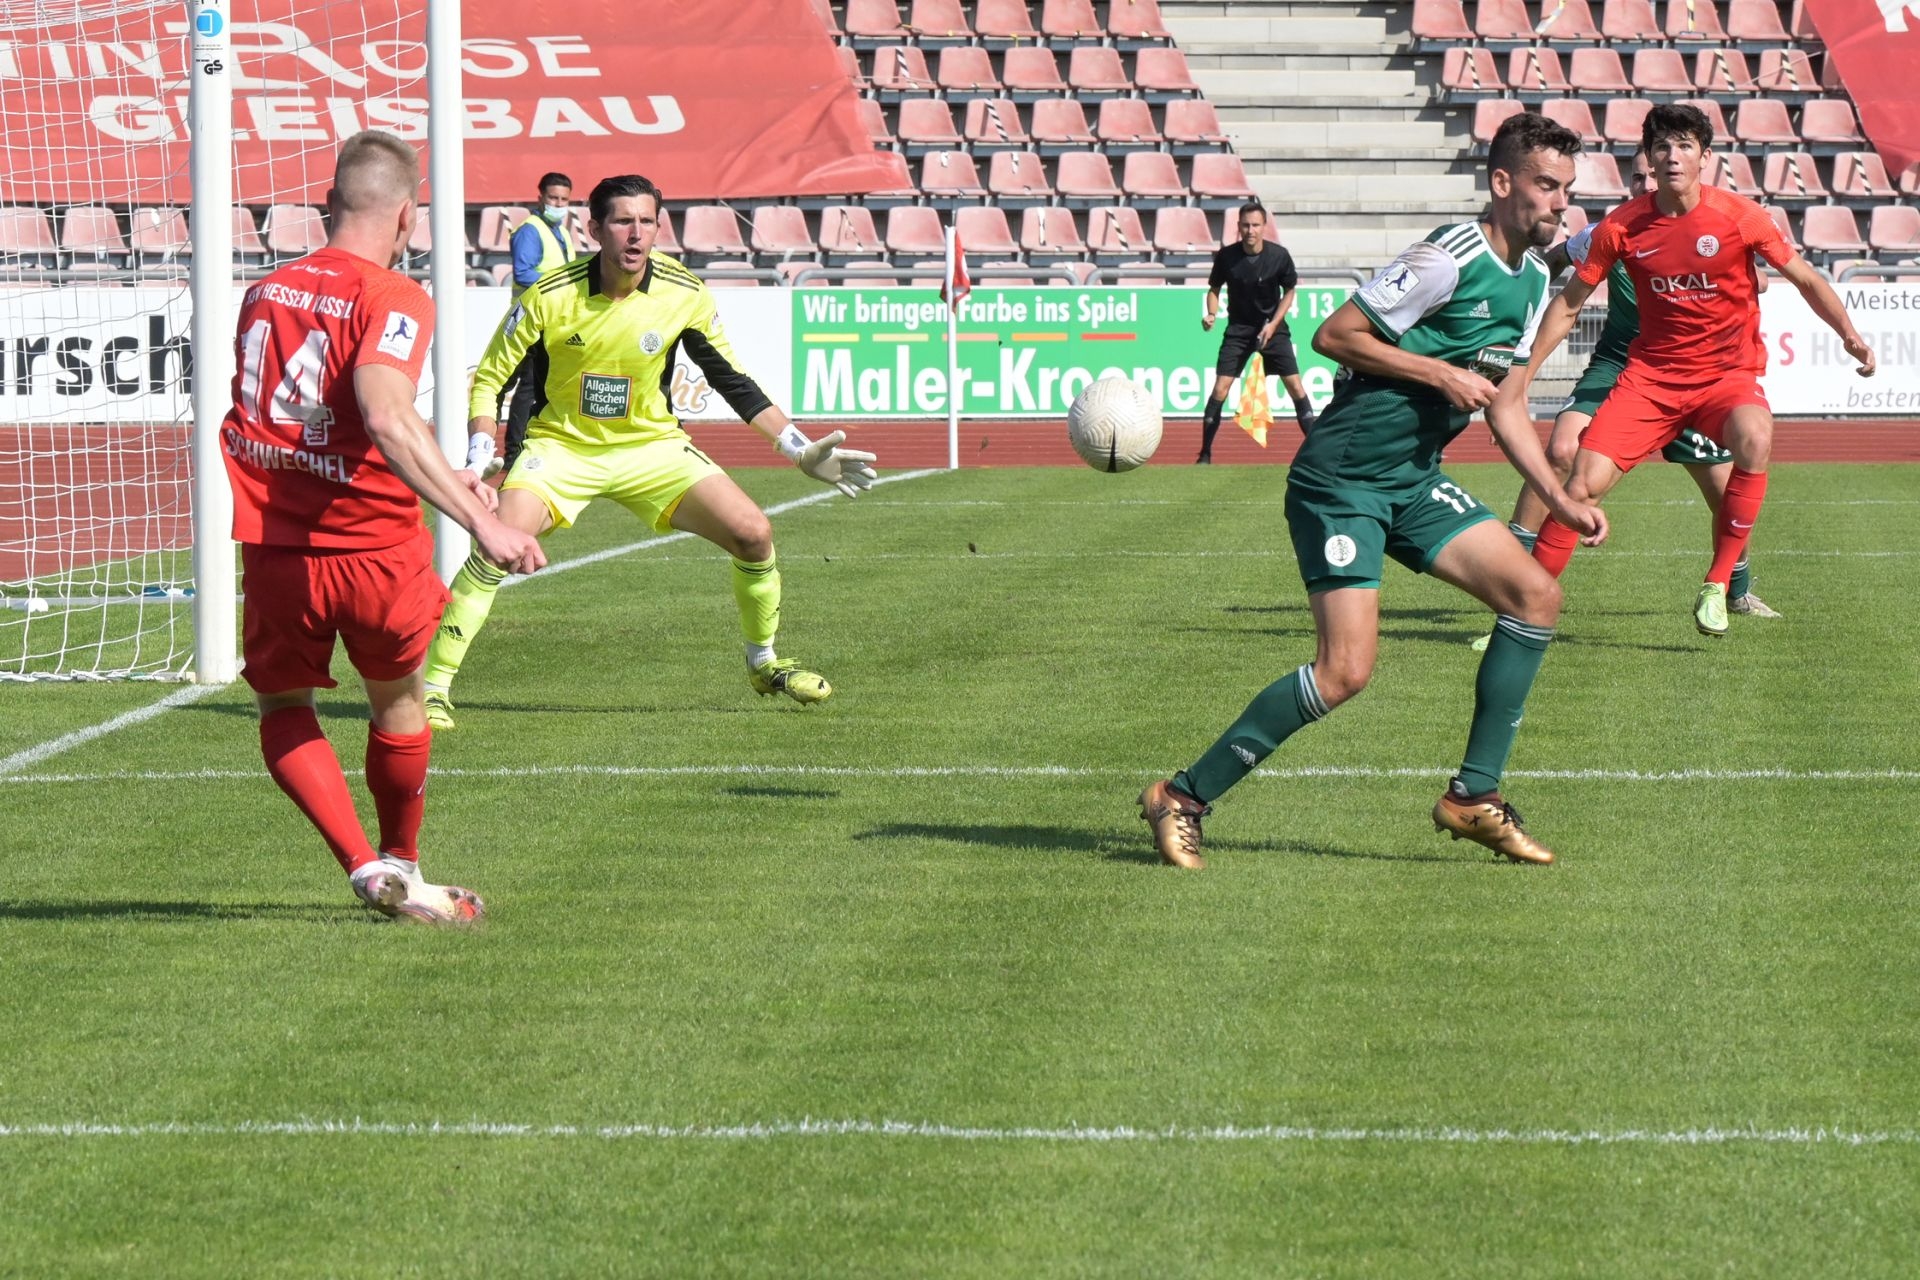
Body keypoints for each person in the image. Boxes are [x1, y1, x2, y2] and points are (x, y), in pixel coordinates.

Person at [1139, 112, 1607, 869]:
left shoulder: (1532, 281)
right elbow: (1334, 336)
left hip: (1412, 480)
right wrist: (1438, 372)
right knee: (1345, 672)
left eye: (1567, 188)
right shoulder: (1447, 257)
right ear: (1502, 183)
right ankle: (1182, 795)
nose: (1561, 203)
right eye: (1547, 186)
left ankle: (1473, 796)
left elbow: (1509, 405)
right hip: (1342, 482)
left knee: (1535, 597)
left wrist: (1558, 501)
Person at [220, 130, 546, 923]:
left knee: (283, 707)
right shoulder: (393, 295)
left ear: (327, 204)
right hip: (374, 548)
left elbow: (336, 422)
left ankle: (363, 867)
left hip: (277, 549)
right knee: (398, 705)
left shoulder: (265, 291)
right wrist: (481, 519)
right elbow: (385, 414)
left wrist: (442, 468)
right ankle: (402, 861)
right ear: (407, 217)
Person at [425, 174, 878, 730]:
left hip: (653, 447)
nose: (636, 234)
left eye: (646, 221)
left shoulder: (684, 293)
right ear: (595, 229)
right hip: (562, 448)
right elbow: (491, 377)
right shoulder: (548, 295)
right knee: (498, 545)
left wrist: (799, 449)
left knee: (754, 533)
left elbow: (732, 380)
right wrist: (479, 452)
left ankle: (764, 664)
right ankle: (432, 688)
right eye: (622, 221)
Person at [1493, 104, 1876, 637]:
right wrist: (1521, 373)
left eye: (1684, 146)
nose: (1672, 157)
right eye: (1662, 147)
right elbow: (1569, 303)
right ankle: (1519, 614)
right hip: (1648, 382)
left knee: (1754, 438)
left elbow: (1806, 279)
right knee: (1579, 484)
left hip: (1725, 380)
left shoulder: (1741, 217)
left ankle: (1720, 585)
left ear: (1705, 156)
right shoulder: (1619, 227)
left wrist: (1849, 334)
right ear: (1649, 160)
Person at [1475, 147, 1779, 651]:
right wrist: (1528, 290)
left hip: (1697, 372)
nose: (1646, 183)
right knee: (1563, 451)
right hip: (1619, 365)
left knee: (1724, 490)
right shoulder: (1609, 231)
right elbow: (1555, 263)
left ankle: (1737, 588)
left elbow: (1756, 277)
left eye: (1651, 175)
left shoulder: (1709, 225)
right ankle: (1519, 585)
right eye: (1638, 176)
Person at [1197, 201, 1316, 462]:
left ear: (1264, 227)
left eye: (1255, 225)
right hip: (1238, 330)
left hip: (1273, 330)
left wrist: (1273, 324)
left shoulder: (1279, 256)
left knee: (1295, 387)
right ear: (1238, 227)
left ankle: (1318, 451)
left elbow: (1290, 291)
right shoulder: (1227, 257)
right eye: (1245, 225)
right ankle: (1204, 454)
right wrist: (1211, 314)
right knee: (1220, 389)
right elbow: (1214, 289)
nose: (1250, 230)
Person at [498, 171, 578, 475]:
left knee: (531, 385)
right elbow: (523, 273)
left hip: (550, 319)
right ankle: (513, 451)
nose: (558, 204)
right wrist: (564, 282)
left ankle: (522, 447)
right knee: (525, 386)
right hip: (529, 318)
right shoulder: (531, 230)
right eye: (553, 198)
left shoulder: (561, 232)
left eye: (564, 199)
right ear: (540, 198)